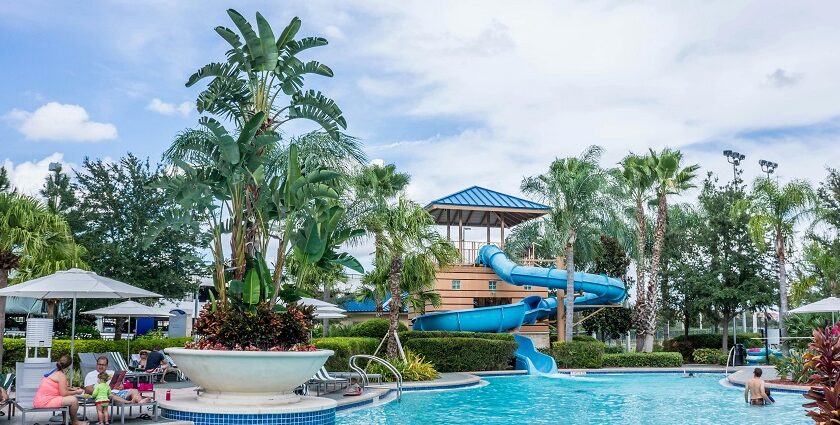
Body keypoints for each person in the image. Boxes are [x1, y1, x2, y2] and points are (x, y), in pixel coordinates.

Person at [32, 354, 88, 425]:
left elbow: (58, 387)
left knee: (67, 398)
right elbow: (63, 393)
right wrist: (76, 392)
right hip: (45, 402)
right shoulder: (61, 375)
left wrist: (72, 389)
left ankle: (65, 421)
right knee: (74, 400)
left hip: (40, 400)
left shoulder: (54, 372)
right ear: (69, 366)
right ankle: (75, 422)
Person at [84, 356, 150, 404]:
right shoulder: (91, 374)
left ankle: (140, 402)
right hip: (104, 394)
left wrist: (121, 386)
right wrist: (102, 392)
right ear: (96, 364)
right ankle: (129, 402)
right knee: (110, 395)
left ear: (106, 366)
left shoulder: (112, 372)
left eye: (103, 365)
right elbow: (87, 389)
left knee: (134, 390)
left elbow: (119, 383)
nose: (101, 366)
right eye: (99, 364)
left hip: (117, 392)